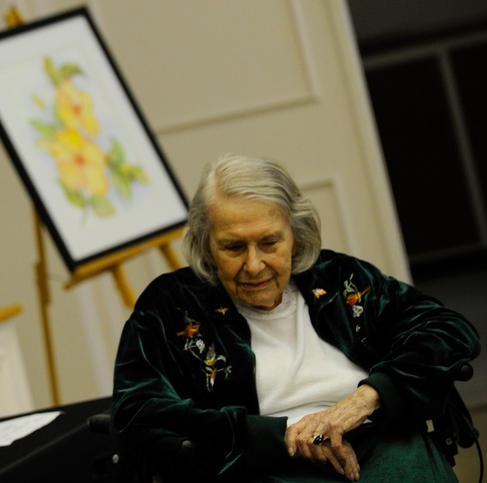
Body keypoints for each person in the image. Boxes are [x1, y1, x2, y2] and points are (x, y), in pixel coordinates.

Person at [111, 154, 480, 482]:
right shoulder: (171, 306)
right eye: (233, 247)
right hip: (263, 466)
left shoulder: (339, 279)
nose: (254, 265)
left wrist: (365, 398)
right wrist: (283, 436)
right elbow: (137, 410)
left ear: (296, 235)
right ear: (207, 245)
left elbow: (447, 331)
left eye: (270, 242)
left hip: (381, 439)